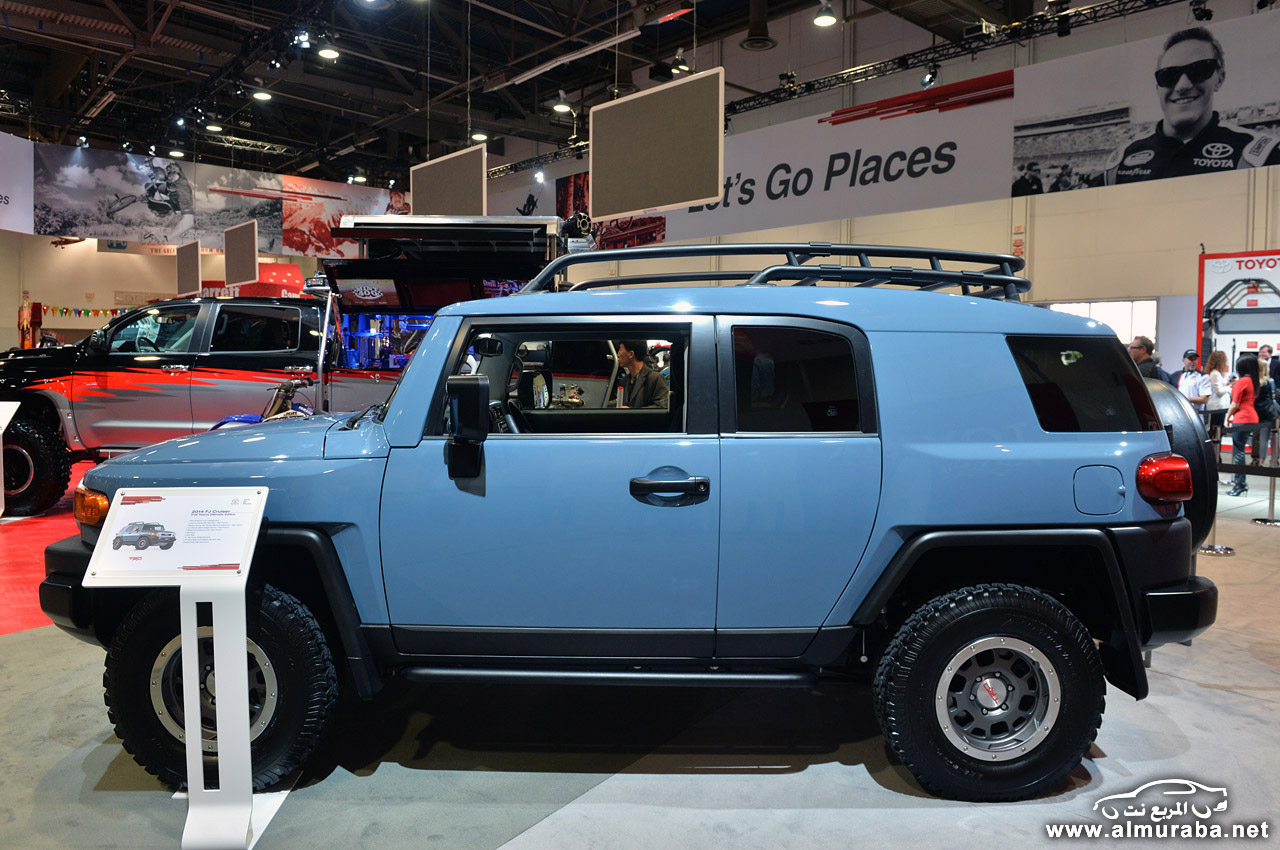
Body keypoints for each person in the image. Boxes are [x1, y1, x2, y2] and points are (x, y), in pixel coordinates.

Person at [1105, 27, 1280, 185]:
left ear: (1220, 78)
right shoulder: (1120, 162)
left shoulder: (1260, 156)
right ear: (1157, 87)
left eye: (1198, 70)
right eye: (1169, 75)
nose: (1183, 86)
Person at [1225, 354, 1260, 496]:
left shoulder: (1242, 381)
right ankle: (1240, 483)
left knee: (1238, 452)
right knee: (1240, 451)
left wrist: (1227, 416)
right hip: (1252, 417)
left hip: (1242, 418)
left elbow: (1235, 404)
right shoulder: (1253, 381)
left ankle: (1240, 484)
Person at [614, 340, 669, 409]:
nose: (618, 354)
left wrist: (631, 412)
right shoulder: (623, 381)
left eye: (620, 349)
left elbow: (662, 407)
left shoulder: (654, 378)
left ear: (631, 354)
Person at [1204, 349, 1232, 432]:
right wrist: (1229, 387)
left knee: (1218, 429)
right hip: (1217, 407)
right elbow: (1219, 392)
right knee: (1216, 430)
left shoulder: (1217, 373)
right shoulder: (1215, 374)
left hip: (1219, 407)